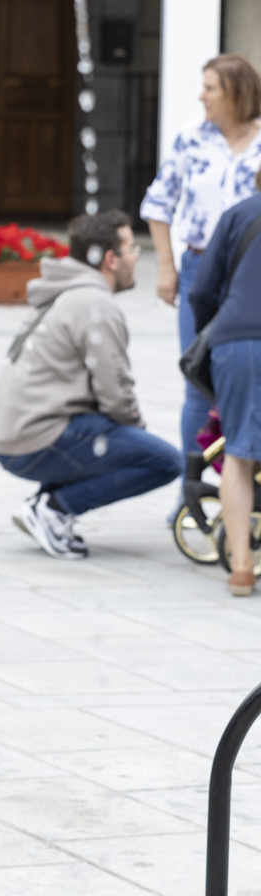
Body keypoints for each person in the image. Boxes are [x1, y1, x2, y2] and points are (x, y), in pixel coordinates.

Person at [0, 209, 182, 559]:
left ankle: (44, 504)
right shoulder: (94, 303)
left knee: (113, 436)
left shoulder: (67, 293)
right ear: (110, 259)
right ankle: (55, 508)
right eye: (132, 249)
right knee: (164, 461)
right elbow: (116, 390)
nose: (137, 257)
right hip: (35, 437)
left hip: (15, 433)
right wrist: (134, 439)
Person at [142, 53, 261, 468]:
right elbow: (159, 203)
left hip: (252, 275)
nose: (201, 96)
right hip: (198, 271)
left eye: (210, 88)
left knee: (251, 379)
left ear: (237, 92)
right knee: (197, 380)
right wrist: (166, 266)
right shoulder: (191, 138)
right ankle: (191, 493)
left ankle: (243, 486)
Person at [188, 174, 261, 596]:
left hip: (237, 343)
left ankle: (241, 565)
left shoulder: (237, 215)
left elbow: (201, 291)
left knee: (239, 452)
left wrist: (211, 337)